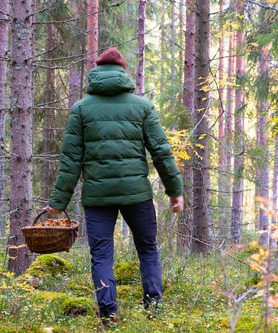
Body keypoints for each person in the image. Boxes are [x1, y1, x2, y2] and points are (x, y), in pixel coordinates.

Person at [43, 47, 184, 325]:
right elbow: (161, 151)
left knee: (102, 256)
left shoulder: (81, 109)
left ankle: (109, 314)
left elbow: (71, 160)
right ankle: (153, 307)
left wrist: (58, 203)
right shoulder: (143, 106)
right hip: (137, 195)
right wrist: (174, 190)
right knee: (147, 249)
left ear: (96, 73)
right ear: (123, 72)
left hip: (98, 198)